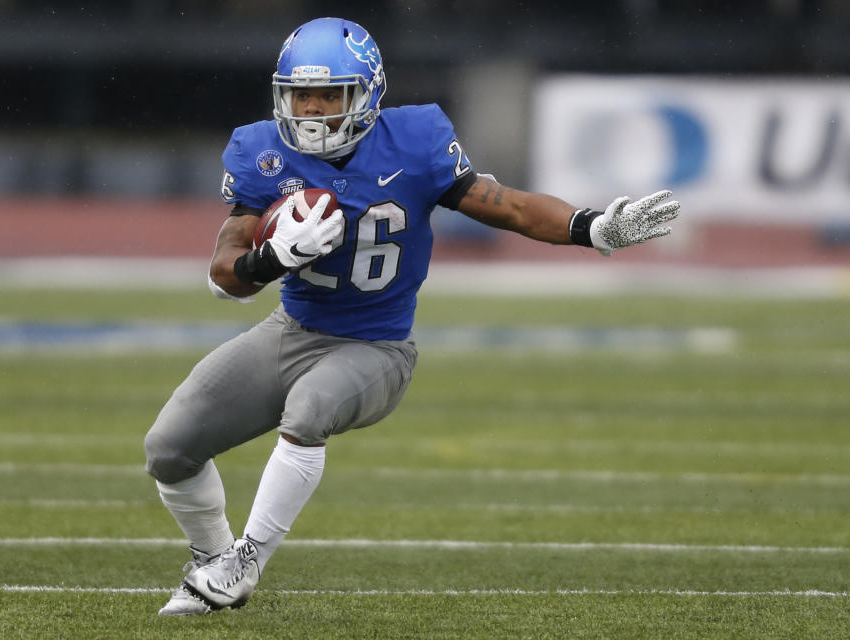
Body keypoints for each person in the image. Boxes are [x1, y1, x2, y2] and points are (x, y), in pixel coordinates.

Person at [143, 16, 680, 616]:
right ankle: (216, 559)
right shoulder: (259, 149)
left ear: (367, 93)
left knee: (310, 408)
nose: (313, 110)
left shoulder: (417, 139)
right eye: (301, 95)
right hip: (291, 331)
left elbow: (509, 207)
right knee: (170, 446)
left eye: (330, 95)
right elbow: (224, 273)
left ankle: (247, 560)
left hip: (376, 347)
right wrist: (269, 260)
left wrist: (591, 227)